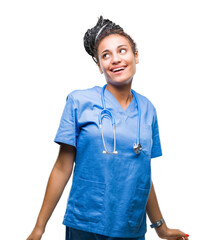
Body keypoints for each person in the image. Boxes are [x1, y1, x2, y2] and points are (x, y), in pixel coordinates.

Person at [27, 16, 189, 240]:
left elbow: (142, 174)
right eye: (106, 55)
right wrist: (39, 228)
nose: (115, 59)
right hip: (86, 224)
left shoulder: (148, 110)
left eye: (122, 51)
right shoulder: (79, 102)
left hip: (131, 227)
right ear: (99, 65)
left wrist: (161, 227)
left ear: (136, 56)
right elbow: (63, 166)